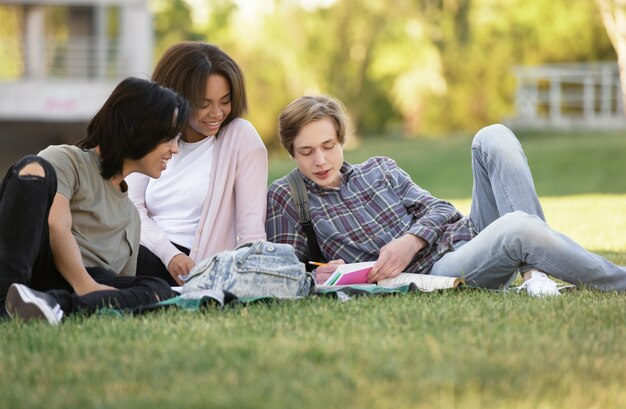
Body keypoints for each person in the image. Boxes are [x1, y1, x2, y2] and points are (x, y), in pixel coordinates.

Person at [266, 95, 626, 296]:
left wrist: (409, 240)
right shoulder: (287, 197)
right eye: (307, 151)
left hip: (463, 238)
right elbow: (285, 272)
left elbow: (442, 210)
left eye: (328, 146)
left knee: (493, 136)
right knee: (518, 227)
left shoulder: (380, 168)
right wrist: (321, 275)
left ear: (341, 139)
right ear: (291, 152)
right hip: (436, 273)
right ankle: (617, 282)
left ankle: (534, 274)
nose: (321, 160)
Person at [0, 76, 190, 324]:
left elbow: (119, 283)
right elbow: (56, 226)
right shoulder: (67, 160)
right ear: (139, 128)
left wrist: (97, 290)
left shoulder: (132, 219)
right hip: (39, 267)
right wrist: (85, 285)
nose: (175, 149)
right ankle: (5, 301)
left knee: (157, 289)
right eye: (169, 138)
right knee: (33, 168)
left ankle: (53, 306)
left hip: (79, 288)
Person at [126, 41, 268, 286]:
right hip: (151, 249)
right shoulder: (151, 136)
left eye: (225, 100)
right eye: (204, 104)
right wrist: (169, 254)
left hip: (196, 265)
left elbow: (251, 233)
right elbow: (131, 208)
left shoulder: (240, 137)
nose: (216, 113)